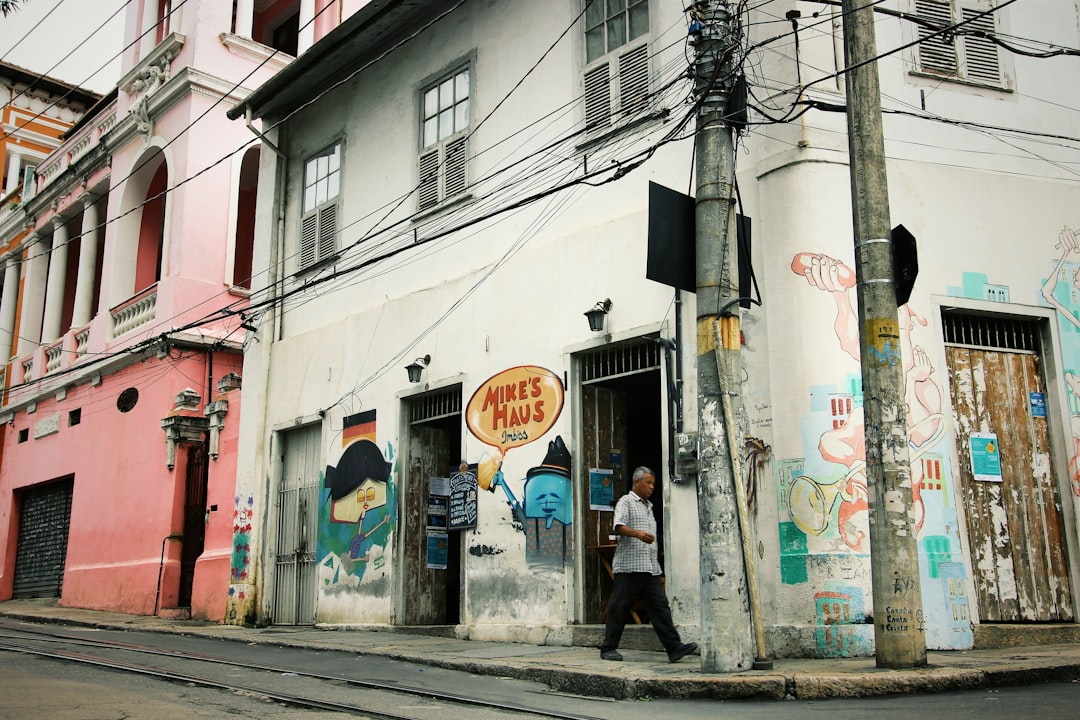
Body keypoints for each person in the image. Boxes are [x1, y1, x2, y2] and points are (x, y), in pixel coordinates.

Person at [599, 466, 698, 663]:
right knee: (620, 606)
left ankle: (674, 647)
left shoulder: (649, 507)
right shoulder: (625, 502)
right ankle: (608, 647)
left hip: (649, 567)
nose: (652, 487)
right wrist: (638, 534)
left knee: (660, 607)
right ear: (637, 483)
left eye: (653, 483)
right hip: (629, 566)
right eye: (648, 483)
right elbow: (618, 526)